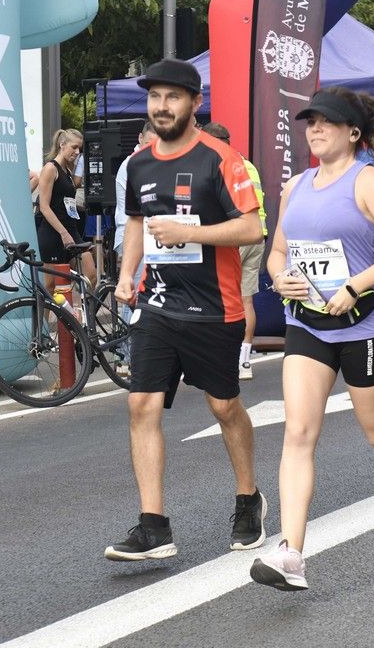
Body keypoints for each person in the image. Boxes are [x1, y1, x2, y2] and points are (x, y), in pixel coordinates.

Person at [250, 87, 374, 592]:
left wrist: (355, 285)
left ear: (353, 132)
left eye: (326, 122)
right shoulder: (296, 186)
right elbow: (278, 251)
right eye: (310, 122)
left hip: (365, 324)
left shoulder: (367, 181)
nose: (315, 129)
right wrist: (280, 277)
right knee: (298, 433)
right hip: (308, 323)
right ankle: (291, 553)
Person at [107, 58, 266, 562]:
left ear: (195, 103)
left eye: (172, 97)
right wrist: (127, 274)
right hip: (158, 304)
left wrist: (189, 232)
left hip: (215, 307)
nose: (162, 106)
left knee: (223, 407)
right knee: (141, 405)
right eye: (155, 97)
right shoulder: (138, 164)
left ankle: (248, 499)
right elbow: (136, 222)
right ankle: (153, 526)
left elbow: (252, 228)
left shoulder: (220, 159)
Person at [200, 121, 268, 379]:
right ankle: (244, 361)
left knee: (217, 297)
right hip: (257, 237)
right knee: (246, 300)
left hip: (234, 237)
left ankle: (218, 358)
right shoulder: (247, 164)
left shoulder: (220, 164)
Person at [112, 121, 157, 377]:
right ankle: (127, 356)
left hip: (147, 236)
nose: (151, 148)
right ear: (140, 138)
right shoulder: (134, 164)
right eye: (148, 143)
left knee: (142, 294)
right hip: (132, 236)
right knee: (134, 295)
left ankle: (134, 354)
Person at [35, 127, 95, 295]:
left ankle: (85, 310)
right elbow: (44, 206)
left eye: (79, 149)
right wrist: (63, 233)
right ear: (62, 144)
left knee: (90, 275)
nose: (77, 152)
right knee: (51, 286)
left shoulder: (68, 171)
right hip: (53, 233)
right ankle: (44, 314)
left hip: (71, 229)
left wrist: (69, 232)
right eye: (74, 147)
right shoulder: (50, 168)